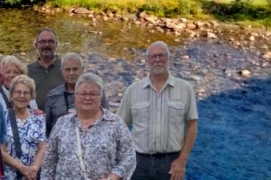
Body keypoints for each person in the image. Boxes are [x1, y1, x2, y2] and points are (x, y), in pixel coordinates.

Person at [117, 41, 198, 180]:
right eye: (153, 56)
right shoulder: (133, 90)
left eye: (162, 55)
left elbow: (192, 125)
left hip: (172, 162)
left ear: (169, 58)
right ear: (147, 61)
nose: (158, 60)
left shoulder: (185, 88)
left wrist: (182, 160)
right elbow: (120, 125)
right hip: (138, 161)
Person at [42, 73, 136, 180]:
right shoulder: (62, 123)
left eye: (93, 94)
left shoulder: (115, 123)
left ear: (101, 97)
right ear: (75, 97)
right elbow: (49, 161)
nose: (87, 98)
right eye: (82, 94)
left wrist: (113, 177)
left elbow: (129, 157)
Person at [44, 53, 109, 137]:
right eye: (67, 69)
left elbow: (107, 120)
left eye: (75, 69)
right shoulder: (52, 96)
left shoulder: (95, 93)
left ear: (82, 70)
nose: (71, 73)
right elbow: (47, 128)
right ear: (61, 71)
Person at [1, 75, 47, 180]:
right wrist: (23, 169)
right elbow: (0, 150)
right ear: (11, 95)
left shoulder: (39, 119)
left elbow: (43, 147)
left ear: (31, 96)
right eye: (18, 92)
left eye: (26, 93)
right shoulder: (3, 118)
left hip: (32, 176)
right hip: (9, 175)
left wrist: (34, 169)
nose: (22, 96)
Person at [26, 28, 63, 110]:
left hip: (60, 117)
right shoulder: (27, 70)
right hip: (34, 118)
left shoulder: (65, 68)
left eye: (50, 41)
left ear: (56, 44)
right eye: (42, 42)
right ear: (36, 45)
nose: (46, 45)